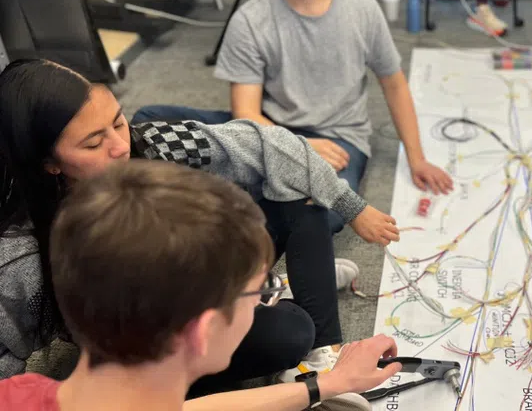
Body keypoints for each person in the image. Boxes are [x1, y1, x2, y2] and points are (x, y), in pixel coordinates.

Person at [0, 59, 400, 391]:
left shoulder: (151, 145)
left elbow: (270, 144)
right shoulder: (24, 255)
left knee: (296, 192)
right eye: (92, 143)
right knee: (291, 331)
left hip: (184, 299)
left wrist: (351, 206)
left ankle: (311, 336)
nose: (121, 146)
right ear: (47, 162)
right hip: (146, 353)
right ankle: (283, 299)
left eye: (118, 123)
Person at [132, 0, 454, 235]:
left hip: (338, 141)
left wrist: (416, 159)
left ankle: (248, 192)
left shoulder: (362, 9)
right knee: (147, 121)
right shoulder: (250, 20)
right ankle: (257, 189)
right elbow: (246, 113)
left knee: (324, 215)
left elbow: (394, 84)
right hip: (268, 129)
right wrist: (296, 147)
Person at [0, 160, 402, 411]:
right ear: (204, 330)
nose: (266, 302)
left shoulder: (20, 392)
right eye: (262, 293)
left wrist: (328, 384)